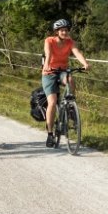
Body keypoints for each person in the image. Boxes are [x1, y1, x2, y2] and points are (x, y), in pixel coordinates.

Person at [41, 19, 89, 147]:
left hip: (62, 70)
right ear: (57, 32)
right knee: (52, 102)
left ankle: (71, 105)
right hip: (49, 72)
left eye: (66, 30)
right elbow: (49, 53)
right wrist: (46, 66)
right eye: (61, 30)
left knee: (70, 80)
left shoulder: (70, 42)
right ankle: (50, 134)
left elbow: (77, 52)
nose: (64, 32)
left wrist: (84, 63)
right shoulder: (49, 40)